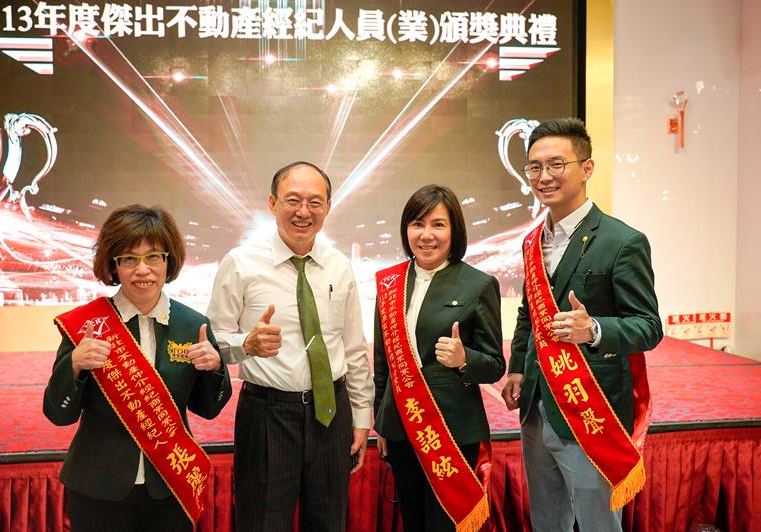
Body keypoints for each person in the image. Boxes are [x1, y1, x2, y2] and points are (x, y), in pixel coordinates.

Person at [501, 117, 663, 531]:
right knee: (546, 520)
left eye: (557, 164)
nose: (544, 177)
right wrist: (517, 368)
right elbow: (528, 314)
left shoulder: (622, 241)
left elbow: (648, 327)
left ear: (586, 168)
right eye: (535, 167)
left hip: (592, 410)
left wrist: (594, 330)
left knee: (597, 522)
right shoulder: (533, 241)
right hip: (536, 407)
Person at [206, 161, 374, 531]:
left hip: (331, 413)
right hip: (267, 415)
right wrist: (246, 344)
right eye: (293, 200)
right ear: (272, 203)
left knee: (329, 523)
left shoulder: (339, 265)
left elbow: (353, 348)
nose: (303, 212)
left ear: (327, 207)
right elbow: (213, 340)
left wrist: (362, 417)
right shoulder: (240, 263)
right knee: (262, 522)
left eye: (315, 202)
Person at [43, 204, 231, 531]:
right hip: (99, 486)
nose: (142, 270)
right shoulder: (88, 325)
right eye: (129, 259)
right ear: (113, 266)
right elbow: (59, 414)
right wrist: (73, 366)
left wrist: (214, 369)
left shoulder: (193, 324)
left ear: (168, 261)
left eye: (153, 257)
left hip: (169, 485)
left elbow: (208, 409)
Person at [374, 185, 505, 531]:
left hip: (453, 431)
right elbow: (383, 364)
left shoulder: (478, 284)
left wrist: (464, 359)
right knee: (414, 521)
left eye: (438, 224)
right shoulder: (390, 284)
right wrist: (382, 422)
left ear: (454, 230)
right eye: (417, 224)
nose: (426, 234)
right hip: (402, 428)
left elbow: (495, 365)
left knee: (446, 524)